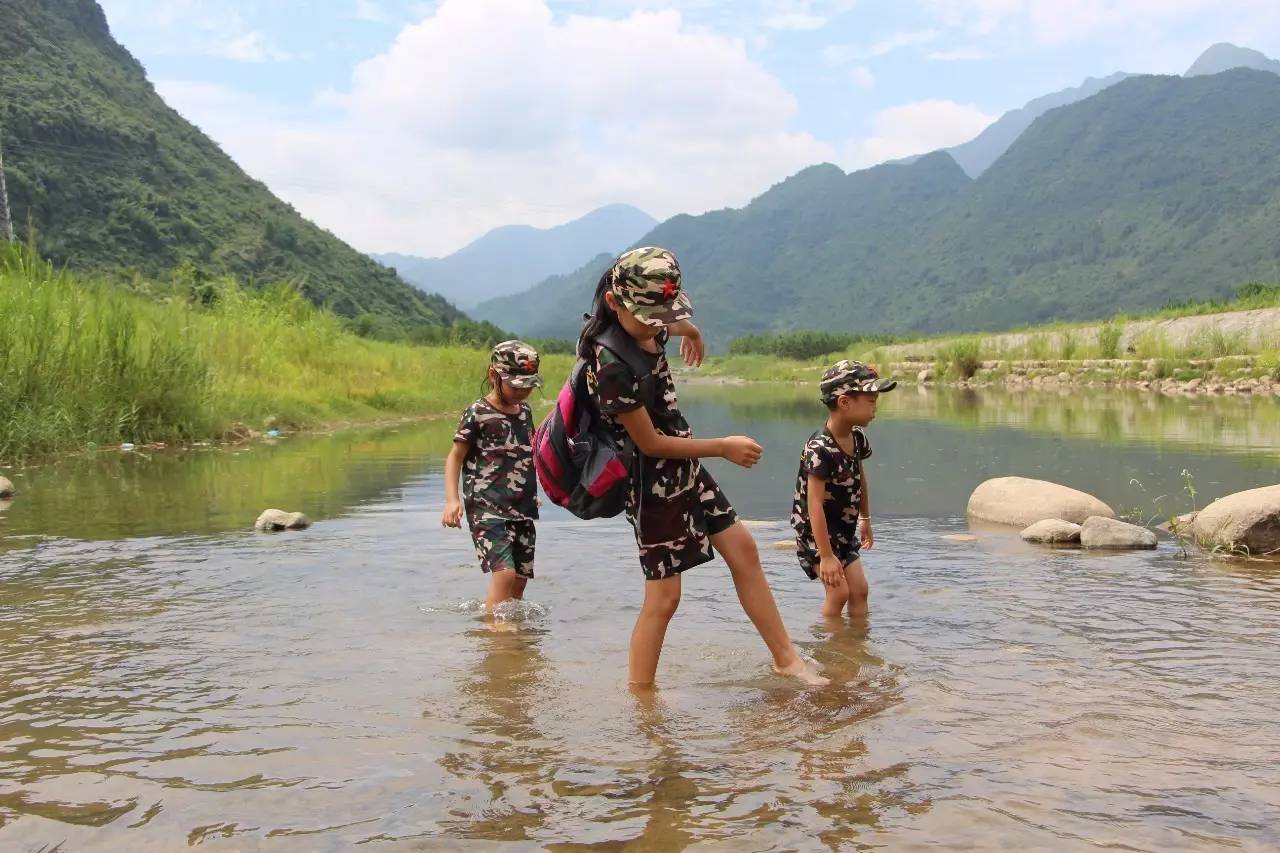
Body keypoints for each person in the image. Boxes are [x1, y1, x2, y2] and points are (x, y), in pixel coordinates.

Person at [579, 246, 826, 687]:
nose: (658, 324)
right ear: (615, 303)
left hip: (684, 467)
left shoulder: (649, 320)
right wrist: (722, 447)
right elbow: (650, 443)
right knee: (664, 597)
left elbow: (667, 321)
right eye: (650, 315)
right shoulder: (610, 362)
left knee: (744, 551)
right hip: (650, 482)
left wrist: (689, 330)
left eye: (664, 314)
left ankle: (786, 658)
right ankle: (642, 701)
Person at [442, 341, 542, 621]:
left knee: (521, 577)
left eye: (529, 386)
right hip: (487, 508)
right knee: (505, 572)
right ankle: (497, 637)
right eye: (516, 385)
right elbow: (455, 457)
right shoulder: (478, 412)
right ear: (493, 376)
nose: (523, 392)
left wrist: (535, 490)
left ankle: (514, 631)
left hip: (522, 507)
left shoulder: (525, 412)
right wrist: (452, 500)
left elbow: (528, 453)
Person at [790, 360, 896, 619]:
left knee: (859, 590)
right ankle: (828, 651)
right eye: (870, 401)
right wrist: (825, 556)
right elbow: (813, 504)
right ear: (845, 403)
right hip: (817, 535)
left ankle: (855, 649)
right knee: (839, 593)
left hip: (844, 530)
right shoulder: (819, 449)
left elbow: (860, 478)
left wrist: (865, 519)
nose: (875, 408)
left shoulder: (857, 439)